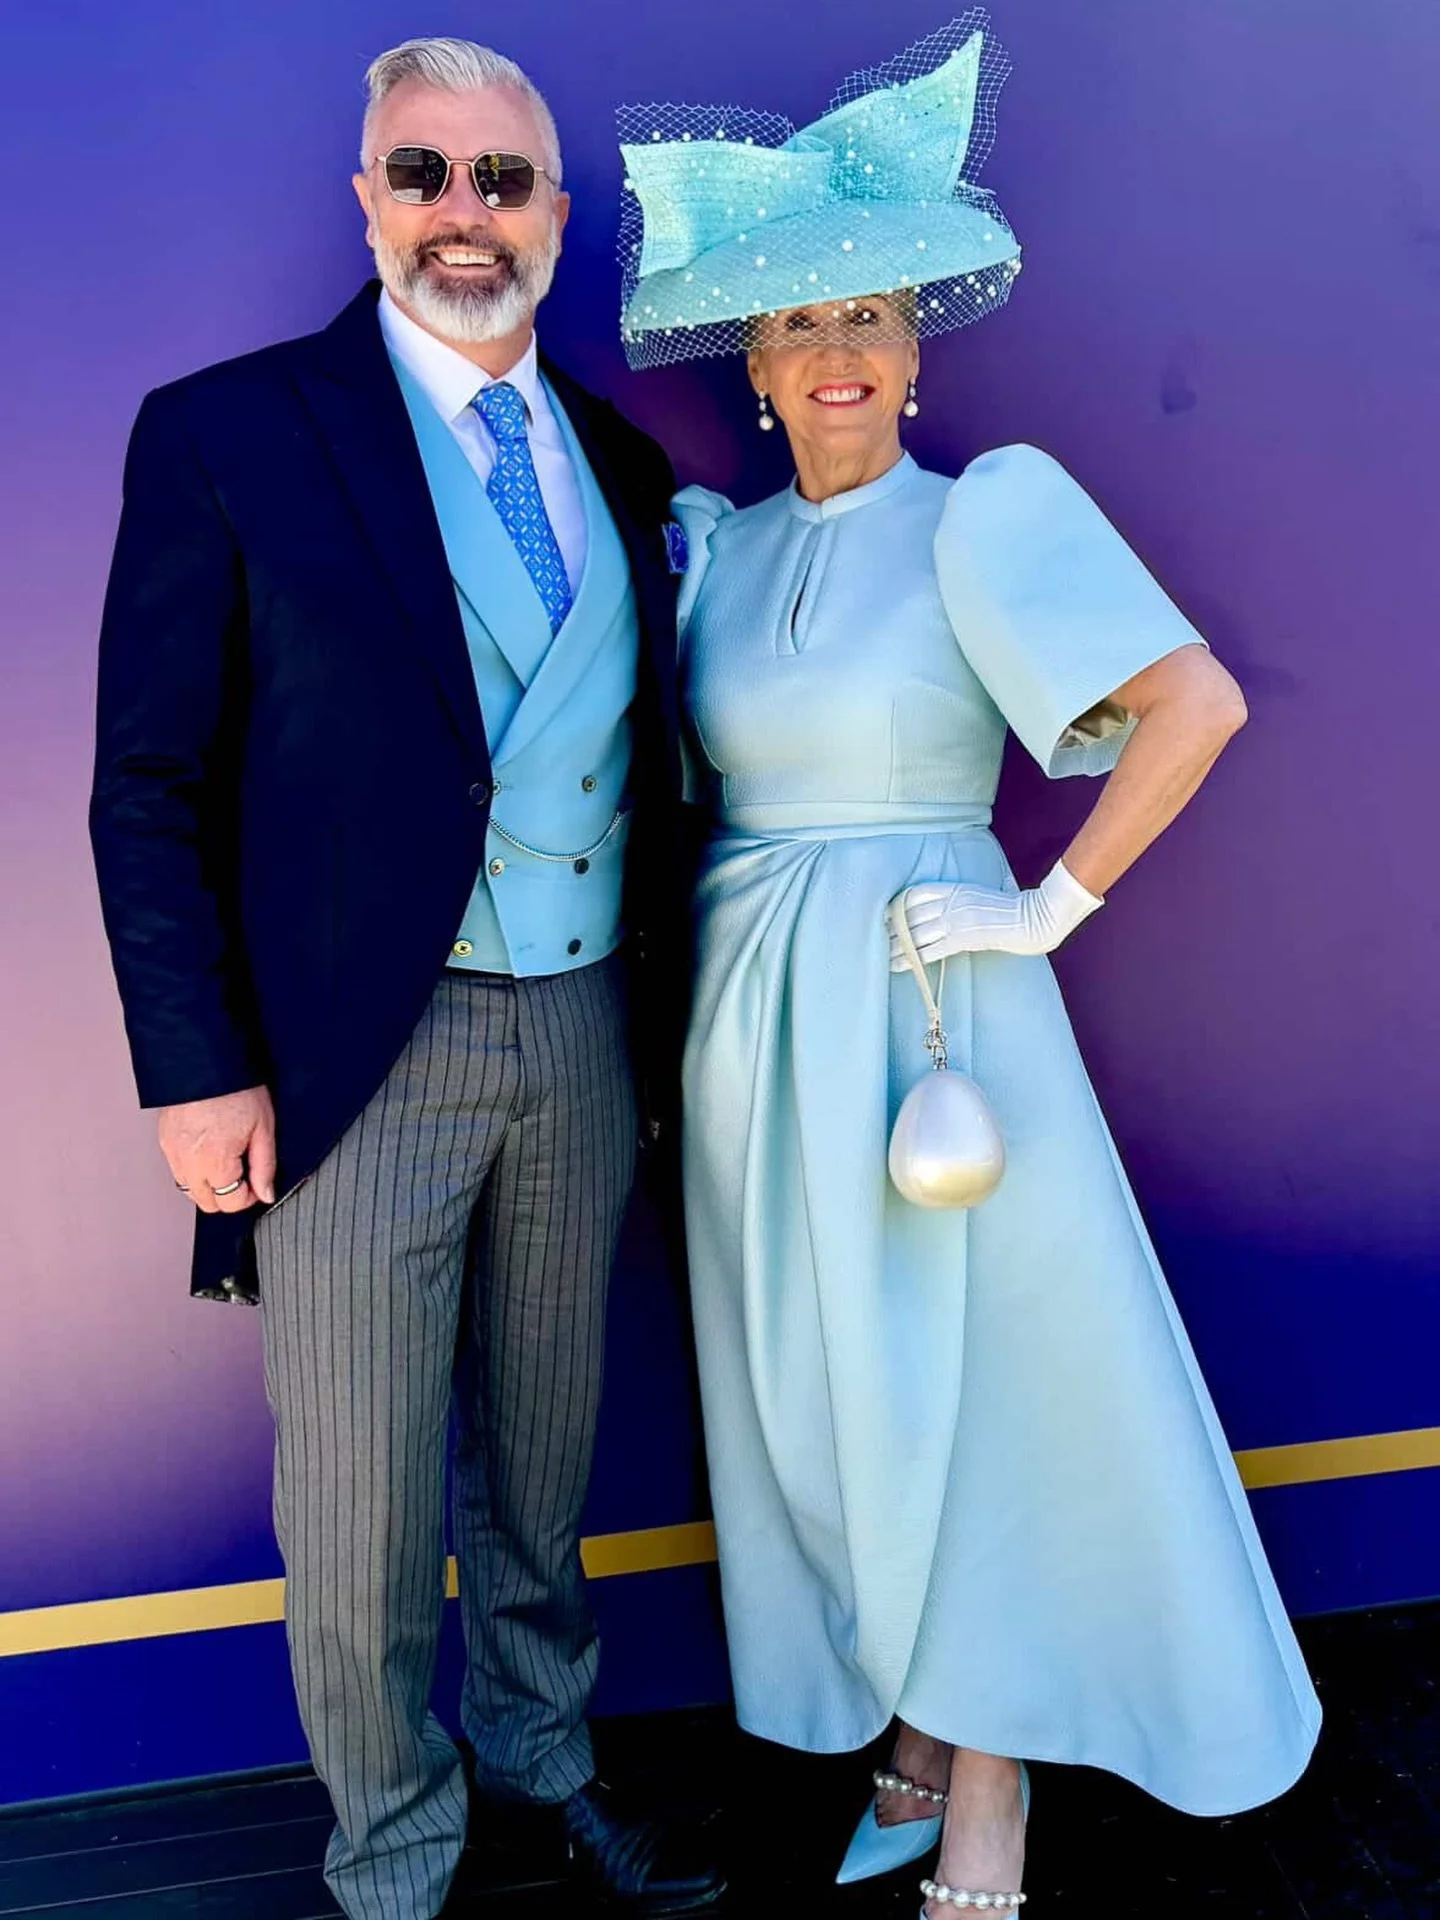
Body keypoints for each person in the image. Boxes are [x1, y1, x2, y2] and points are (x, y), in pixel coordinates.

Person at [617, 13, 1320, 1916]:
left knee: (973, 1387)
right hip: (755, 1029)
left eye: (868, 318)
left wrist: (1042, 910)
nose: (835, 352)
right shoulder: (717, 553)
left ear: (918, 343)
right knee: (825, 1398)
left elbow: (1193, 702)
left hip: (934, 1014)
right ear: (754, 369)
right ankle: (914, 1732)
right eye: (795, 326)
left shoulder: (986, 516)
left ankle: (985, 1795)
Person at [90, 36, 722, 1920]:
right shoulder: (227, 430)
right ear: (364, 198)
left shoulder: (615, 458)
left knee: (543, 1460)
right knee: (360, 1505)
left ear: (552, 215)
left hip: (587, 1026)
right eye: (425, 174)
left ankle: (544, 1767)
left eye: (504, 182)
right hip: (364, 1054)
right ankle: (393, 1857)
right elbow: (149, 782)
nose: (468, 213)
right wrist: (195, 1070)